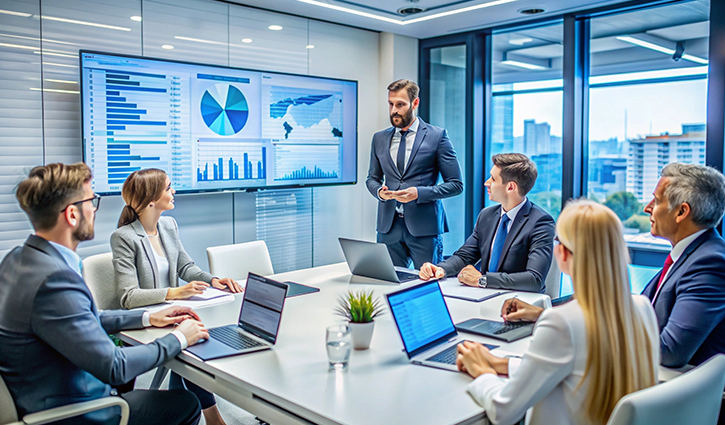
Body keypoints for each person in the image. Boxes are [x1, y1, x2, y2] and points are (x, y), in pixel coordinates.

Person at [0, 162, 207, 425]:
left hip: (39, 393)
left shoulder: (18, 259)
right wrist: (179, 337)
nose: (94, 210)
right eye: (91, 201)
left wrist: (147, 318)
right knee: (186, 404)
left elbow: (83, 317)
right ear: (72, 215)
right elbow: (116, 368)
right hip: (75, 411)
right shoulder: (55, 279)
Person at [456, 200, 660, 425]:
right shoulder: (642, 307)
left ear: (563, 252)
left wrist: (483, 373)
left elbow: (502, 412)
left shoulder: (561, 323)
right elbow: (580, 368)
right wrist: (500, 363)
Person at [111, 168, 241, 425]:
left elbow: (185, 267)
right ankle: (213, 419)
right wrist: (175, 292)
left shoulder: (168, 225)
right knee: (193, 342)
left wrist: (212, 279)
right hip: (144, 324)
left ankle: (197, 413)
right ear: (150, 199)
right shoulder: (124, 237)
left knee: (197, 338)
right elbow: (128, 297)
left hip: (173, 314)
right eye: (168, 187)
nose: (174, 191)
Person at [420, 153, 554, 292]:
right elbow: (465, 255)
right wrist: (440, 268)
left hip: (518, 302)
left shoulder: (541, 222)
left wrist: (482, 280)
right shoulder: (487, 215)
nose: (487, 182)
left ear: (510, 187)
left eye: (493, 178)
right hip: (485, 295)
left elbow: (534, 279)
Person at [366, 79, 463, 269]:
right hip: (388, 228)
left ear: (415, 103)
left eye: (400, 104)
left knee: (427, 287)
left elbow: (456, 184)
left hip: (424, 229)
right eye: (391, 104)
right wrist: (379, 192)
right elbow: (372, 179)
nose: (394, 110)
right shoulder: (379, 138)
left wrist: (418, 193)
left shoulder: (437, 136)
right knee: (389, 285)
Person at [640, 163, 725, 368]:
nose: (647, 208)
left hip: (680, 389)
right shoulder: (692, 253)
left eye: (657, 201)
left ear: (681, 212)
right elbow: (642, 307)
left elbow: (670, 351)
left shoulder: (710, 263)